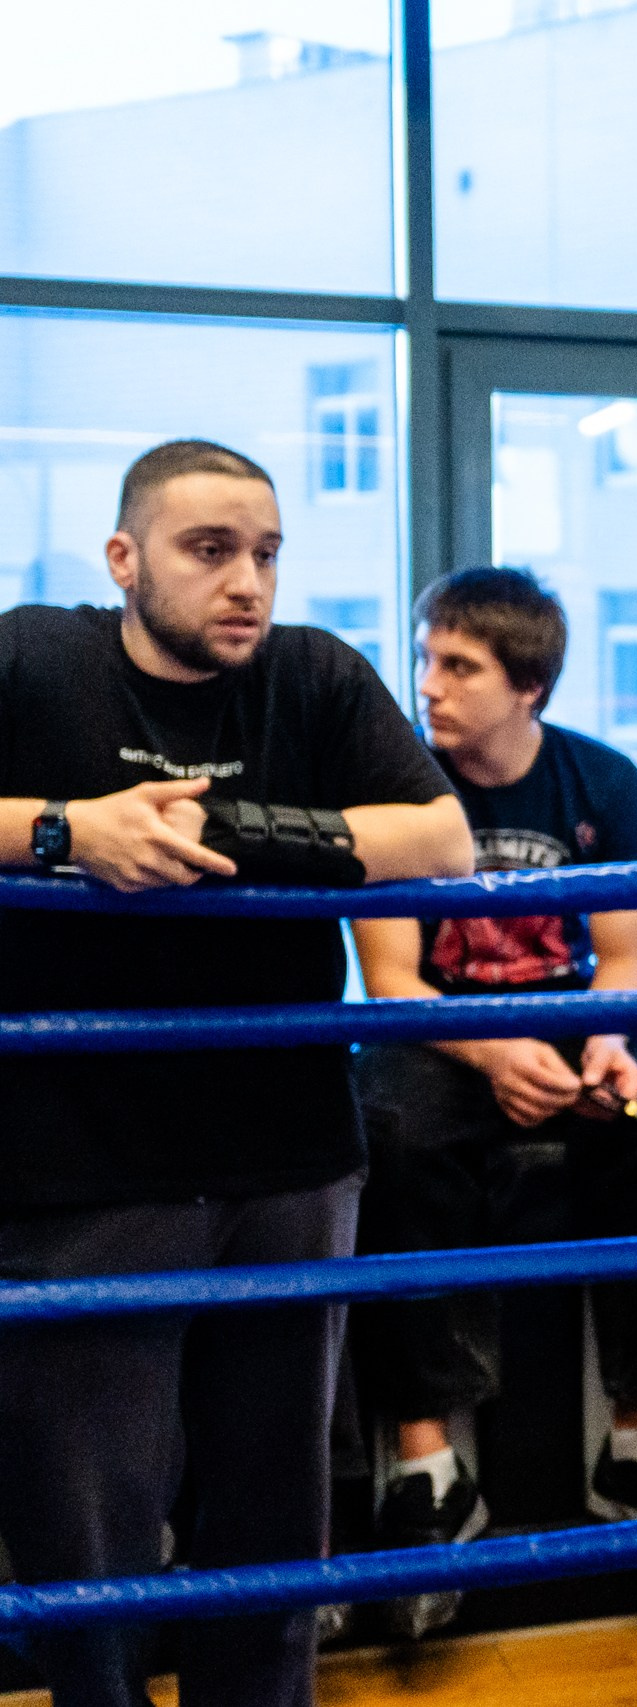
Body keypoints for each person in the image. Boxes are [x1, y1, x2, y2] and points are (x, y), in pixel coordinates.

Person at [0, 439, 473, 1707]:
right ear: (124, 559)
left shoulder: (314, 674)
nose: (246, 582)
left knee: (274, 1518)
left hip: (289, 1151)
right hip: (84, 1159)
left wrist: (231, 835)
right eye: (210, 552)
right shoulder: (35, 655)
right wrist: (65, 829)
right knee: (87, 1522)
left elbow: (438, 831)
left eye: (265, 553)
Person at [347, 569, 637, 1610]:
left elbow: (624, 960)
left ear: (529, 686)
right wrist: (498, 1055)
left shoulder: (603, 781)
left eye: (458, 666)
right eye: (426, 659)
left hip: (572, 1018)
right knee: (391, 1135)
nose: (429, 686)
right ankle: (427, 1462)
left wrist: (607, 1045)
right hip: (440, 1028)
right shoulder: (391, 790)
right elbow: (389, 980)